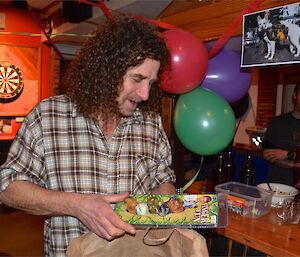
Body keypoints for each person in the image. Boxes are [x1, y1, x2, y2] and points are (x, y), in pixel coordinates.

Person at [0, 16, 176, 257]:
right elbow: (8, 188)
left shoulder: (150, 122)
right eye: (137, 79)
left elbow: (161, 181)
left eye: (151, 82)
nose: (145, 94)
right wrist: (78, 205)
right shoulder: (48, 116)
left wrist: (166, 212)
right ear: (107, 70)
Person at [262, 82, 300, 186]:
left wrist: (288, 154)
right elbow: (267, 154)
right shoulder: (277, 123)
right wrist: (297, 165)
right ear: (295, 96)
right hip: (278, 187)